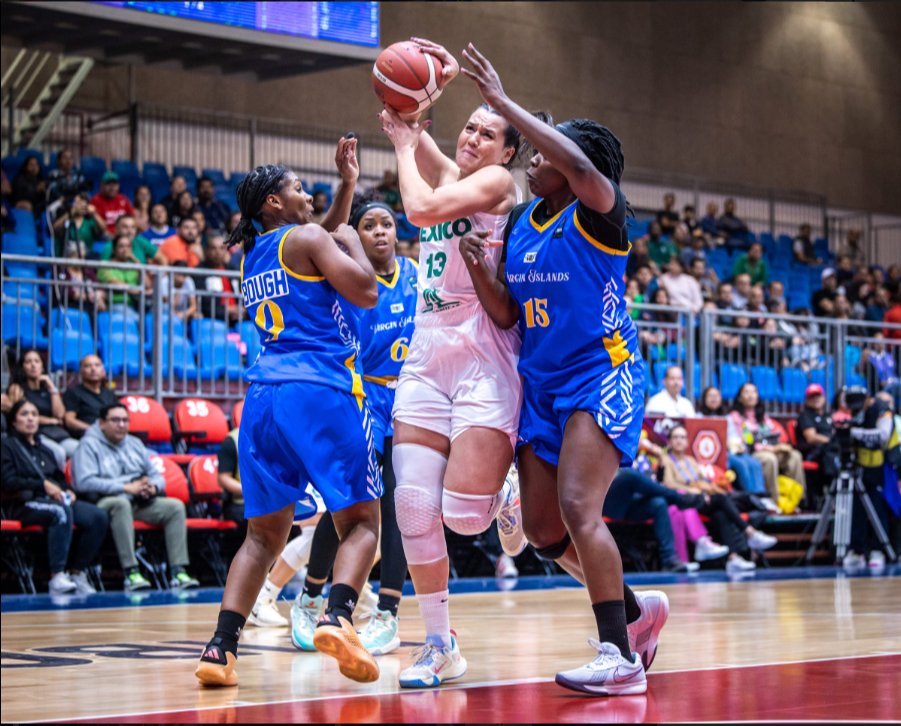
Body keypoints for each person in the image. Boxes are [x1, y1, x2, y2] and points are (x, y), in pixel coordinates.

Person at [458, 43, 668, 696]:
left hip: (599, 375)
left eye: (546, 150)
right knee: (545, 533)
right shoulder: (522, 220)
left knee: (580, 509)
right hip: (542, 384)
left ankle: (619, 658)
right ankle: (632, 613)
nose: (536, 157)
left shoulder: (601, 211)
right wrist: (477, 269)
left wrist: (503, 105)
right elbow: (505, 315)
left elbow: (575, 159)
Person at [195, 137, 384, 689]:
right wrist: (349, 240)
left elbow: (312, 241)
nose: (307, 195)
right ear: (273, 204)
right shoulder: (310, 239)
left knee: (262, 537)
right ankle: (338, 618)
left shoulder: (255, 256)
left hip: (262, 398)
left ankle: (220, 649)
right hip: (320, 388)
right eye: (298, 189)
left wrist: (347, 186)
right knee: (364, 523)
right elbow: (366, 290)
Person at [376, 38, 528, 690]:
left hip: (482, 356)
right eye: (467, 127)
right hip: (426, 349)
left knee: (465, 517)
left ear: (507, 152)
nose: (471, 138)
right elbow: (426, 150)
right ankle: (439, 643)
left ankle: (507, 486)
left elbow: (418, 208)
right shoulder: (454, 170)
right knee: (412, 506)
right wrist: (410, 113)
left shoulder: (497, 185)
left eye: (486, 133)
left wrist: (403, 147)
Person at [290, 197, 418, 657]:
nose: (381, 231)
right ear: (355, 236)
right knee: (349, 504)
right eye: (370, 225)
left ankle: (387, 613)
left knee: (402, 507)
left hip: (408, 398)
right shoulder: (343, 277)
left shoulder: (418, 278)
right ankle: (309, 597)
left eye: (387, 223)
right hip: (359, 396)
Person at [71, 402, 199, 591]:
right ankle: (131, 572)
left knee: (175, 507)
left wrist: (152, 487)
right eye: (115, 420)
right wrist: (125, 487)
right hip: (104, 501)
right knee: (121, 504)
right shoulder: (88, 444)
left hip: (138, 501)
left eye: (125, 420)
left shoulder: (135, 443)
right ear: (101, 423)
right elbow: (83, 482)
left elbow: (157, 475)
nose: (121, 425)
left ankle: (178, 571)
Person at [1, 400, 109, 595]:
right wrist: (41, 485)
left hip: (53, 499)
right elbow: (7, 481)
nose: (31, 418)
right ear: (14, 421)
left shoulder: (45, 447)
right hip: (22, 503)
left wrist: (67, 490)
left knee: (97, 516)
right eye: (24, 414)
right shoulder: (7, 446)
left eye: (34, 414)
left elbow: (58, 478)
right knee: (60, 512)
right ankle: (57, 576)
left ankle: (77, 571)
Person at [659, 426, 777, 573]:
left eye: (682, 437)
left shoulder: (691, 460)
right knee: (721, 500)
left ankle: (733, 558)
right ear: (669, 441)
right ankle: (750, 532)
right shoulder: (665, 460)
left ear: (687, 442)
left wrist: (707, 488)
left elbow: (703, 481)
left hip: (702, 499)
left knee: (721, 514)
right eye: (675, 437)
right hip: (686, 500)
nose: (679, 441)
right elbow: (668, 484)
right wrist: (695, 490)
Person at [728, 383, 806, 509]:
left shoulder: (762, 416)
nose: (751, 395)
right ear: (740, 397)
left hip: (771, 448)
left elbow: (773, 434)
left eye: (754, 392)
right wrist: (772, 449)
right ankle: (774, 500)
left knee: (794, 456)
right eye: (746, 392)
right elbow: (748, 443)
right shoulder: (736, 417)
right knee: (769, 459)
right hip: (751, 454)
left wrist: (782, 446)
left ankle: (797, 499)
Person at [6, 349, 78, 458]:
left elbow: (59, 415)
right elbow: (19, 415)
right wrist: (49, 420)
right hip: (35, 434)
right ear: (23, 367)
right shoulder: (17, 389)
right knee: (59, 453)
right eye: (28, 362)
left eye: (37, 361)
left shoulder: (48, 390)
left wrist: (52, 387)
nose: (33, 365)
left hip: (57, 433)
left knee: (80, 449)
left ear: (42, 366)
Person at [63, 355, 120, 438]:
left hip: (111, 436)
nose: (93, 369)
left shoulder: (110, 393)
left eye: (97, 365)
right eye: (88, 366)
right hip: (87, 437)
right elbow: (69, 420)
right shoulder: (73, 392)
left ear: (103, 371)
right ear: (81, 372)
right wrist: (94, 430)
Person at [194, 233, 242, 323]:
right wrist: (228, 310)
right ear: (207, 250)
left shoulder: (233, 270)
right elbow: (204, 304)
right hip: (214, 321)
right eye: (213, 248)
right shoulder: (199, 272)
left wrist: (243, 310)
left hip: (238, 319)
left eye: (221, 248)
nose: (218, 252)